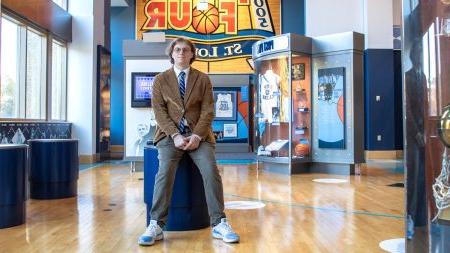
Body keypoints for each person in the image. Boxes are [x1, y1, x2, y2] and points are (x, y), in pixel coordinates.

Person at [138, 37, 240, 246]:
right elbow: (159, 112)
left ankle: (219, 223)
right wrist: (175, 135)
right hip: (169, 137)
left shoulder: (202, 79)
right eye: (177, 50)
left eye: (186, 50)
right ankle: (156, 224)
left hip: (199, 137)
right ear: (171, 54)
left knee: (211, 171)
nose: (181, 53)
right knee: (164, 172)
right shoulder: (160, 80)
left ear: (192, 54)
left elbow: (208, 111)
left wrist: (196, 136)